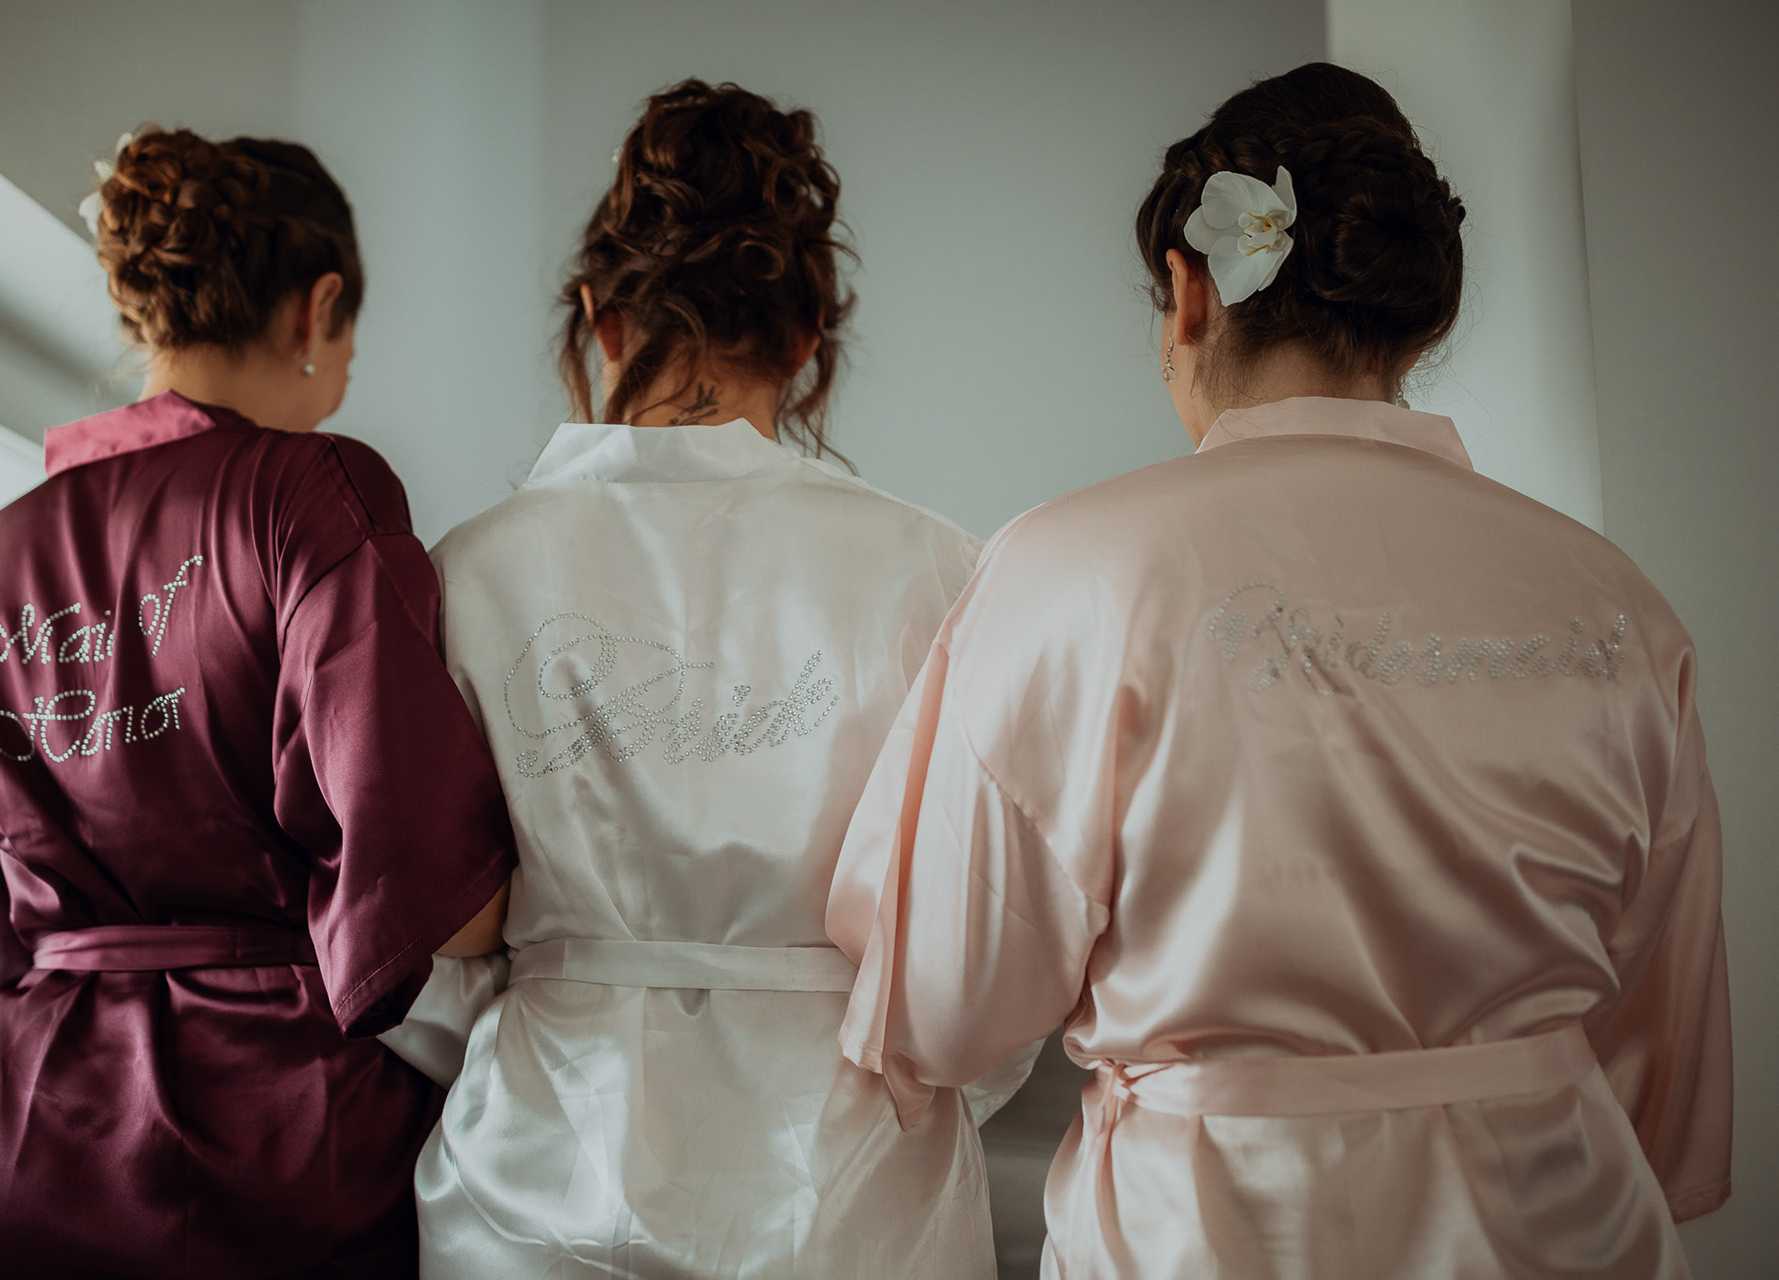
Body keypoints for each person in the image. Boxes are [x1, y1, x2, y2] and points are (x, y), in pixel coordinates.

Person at [828, 62, 1731, 1280]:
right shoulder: (1617, 601)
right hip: (1562, 1222)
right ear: (1423, 320)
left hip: (1212, 1231)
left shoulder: (1069, 569)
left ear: (1191, 294)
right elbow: (1659, 1069)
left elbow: (940, 1005)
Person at [403, 79, 1030, 1278]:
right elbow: (988, 942)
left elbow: (421, 933)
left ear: (598, 320)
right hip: (848, 1188)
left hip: (537, 1167)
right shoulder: (938, 570)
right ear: (806, 338)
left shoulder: (468, 571)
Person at [0, 128, 513, 1277]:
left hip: (14, 1156)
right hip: (276, 1155)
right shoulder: (310, 494)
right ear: (316, 307)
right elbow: (430, 888)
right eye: (350, 335)